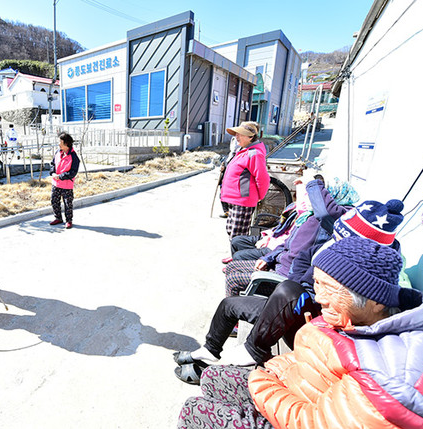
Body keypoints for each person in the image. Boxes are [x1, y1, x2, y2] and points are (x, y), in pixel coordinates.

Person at [178, 237, 423, 428]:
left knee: (193, 411)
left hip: (305, 417)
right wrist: (276, 367)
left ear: (375, 300)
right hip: (304, 393)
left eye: (327, 288)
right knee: (214, 376)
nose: (318, 297)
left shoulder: (392, 377)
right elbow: (314, 360)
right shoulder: (358, 319)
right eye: (316, 284)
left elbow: (311, 423)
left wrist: (260, 381)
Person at [172, 196, 404, 384]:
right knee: (230, 305)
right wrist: (299, 284)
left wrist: (300, 291)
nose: (334, 240)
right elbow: (303, 258)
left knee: (288, 292)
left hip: (312, 320)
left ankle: (238, 358)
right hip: (290, 303)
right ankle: (210, 350)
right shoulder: (335, 242)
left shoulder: (373, 270)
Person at [224, 178, 357, 297]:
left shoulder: (338, 219)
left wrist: (312, 182)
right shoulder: (309, 217)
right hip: (278, 264)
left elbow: (325, 213)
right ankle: (237, 309)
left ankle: (236, 312)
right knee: (232, 267)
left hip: (286, 278)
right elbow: (287, 243)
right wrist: (267, 258)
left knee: (233, 280)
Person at [219, 122, 270, 242]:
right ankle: (235, 255)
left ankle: (238, 258)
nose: (236, 137)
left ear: (250, 137)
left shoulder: (255, 154)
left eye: (240, 134)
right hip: (233, 199)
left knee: (238, 235)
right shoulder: (242, 151)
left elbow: (263, 179)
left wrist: (259, 197)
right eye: (236, 134)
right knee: (231, 230)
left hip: (242, 200)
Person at [49, 132, 79, 229]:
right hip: (56, 183)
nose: (58, 144)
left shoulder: (74, 156)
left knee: (68, 203)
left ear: (66, 143)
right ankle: (58, 218)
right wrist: (52, 172)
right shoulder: (58, 152)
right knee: (54, 201)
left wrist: (60, 176)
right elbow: (52, 164)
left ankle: (69, 220)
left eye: (60, 142)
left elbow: (73, 172)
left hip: (66, 185)